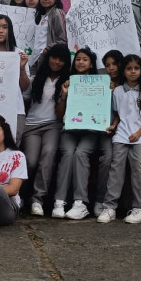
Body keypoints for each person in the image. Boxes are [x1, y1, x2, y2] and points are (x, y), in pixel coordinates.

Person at [98, 54, 141, 224]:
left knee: (139, 165)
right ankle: (109, 207)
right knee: (116, 166)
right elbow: (119, 114)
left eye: (136, 68)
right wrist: (114, 125)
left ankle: (140, 208)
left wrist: (139, 133)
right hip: (122, 134)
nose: (133, 72)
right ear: (123, 71)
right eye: (129, 68)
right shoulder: (117, 91)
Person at [51, 48, 111, 219]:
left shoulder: (101, 82)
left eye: (85, 59)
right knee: (68, 154)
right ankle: (59, 202)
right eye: (78, 59)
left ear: (91, 63)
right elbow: (59, 114)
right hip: (70, 130)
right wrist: (63, 94)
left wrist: (109, 90)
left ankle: (80, 203)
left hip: (90, 131)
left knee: (80, 154)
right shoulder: (67, 81)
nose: (81, 62)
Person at [22, 43, 69, 216]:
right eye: (54, 57)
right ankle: (20, 196)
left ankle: (37, 199)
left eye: (61, 60)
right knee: (31, 161)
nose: (56, 62)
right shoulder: (36, 79)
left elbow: (59, 116)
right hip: (32, 126)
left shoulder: (67, 82)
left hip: (53, 125)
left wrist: (63, 96)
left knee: (48, 156)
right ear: (48, 58)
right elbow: (25, 102)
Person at [0, 14, 31, 143]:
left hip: (14, 109)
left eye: (4, 27)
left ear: (10, 30)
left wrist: (21, 68)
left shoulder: (18, 54)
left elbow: (25, 87)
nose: (1, 30)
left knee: (12, 146)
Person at [32, 0, 67, 68]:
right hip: (36, 58)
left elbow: (63, 39)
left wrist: (47, 49)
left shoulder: (57, 12)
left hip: (48, 57)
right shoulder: (42, 15)